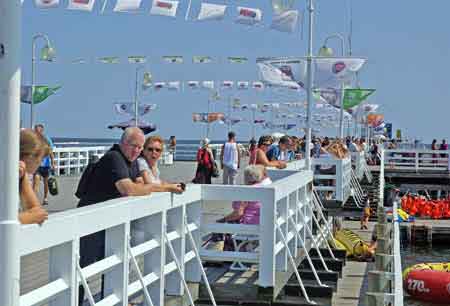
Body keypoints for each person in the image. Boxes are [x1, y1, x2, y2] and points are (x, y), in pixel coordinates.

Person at [77, 127, 152, 305]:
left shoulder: (131, 161)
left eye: (141, 148)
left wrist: (149, 187)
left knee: (111, 263)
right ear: (122, 143)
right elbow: (129, 189)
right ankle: (75, 301)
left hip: (108, 222)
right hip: (89, 221)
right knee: (82, 269)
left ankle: (109, 300)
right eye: (134, 146)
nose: (137, 151)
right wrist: (148, 188)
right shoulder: (114, 158)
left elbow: (141, 183)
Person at [19, 129, 49, 225]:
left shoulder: (21, 175)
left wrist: (23, 177)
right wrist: (26, 218)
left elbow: (38, 211)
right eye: (41, 159)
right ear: (30, 156)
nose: (40, 163)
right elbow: (37, 215)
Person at [33, 124, 55, 205]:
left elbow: (51, 152)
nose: (35, 132)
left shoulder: (47, 139)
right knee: (36, 183)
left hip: (46, 166)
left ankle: (45, 198)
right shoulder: (33, 140)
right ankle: (34, 201)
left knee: (46, 183)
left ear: (41, 131)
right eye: (35, 130)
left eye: (37, 130)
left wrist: (53, 163)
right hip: (37, 166)